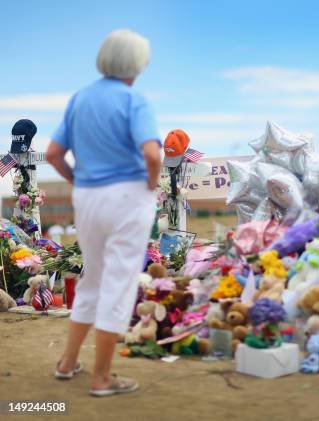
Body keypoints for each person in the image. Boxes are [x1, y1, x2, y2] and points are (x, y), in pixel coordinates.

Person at [45, 29, 161, 397]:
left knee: (92, 278)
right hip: (127, 196)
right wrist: (152, 184)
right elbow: (153, 154)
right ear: (137, 63)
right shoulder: (134, 100)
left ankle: (67, 363)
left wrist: (78, 178)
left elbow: (52, 154)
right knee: (120, 283)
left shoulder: (80, 98)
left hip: (88, 196)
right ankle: (102, 378)